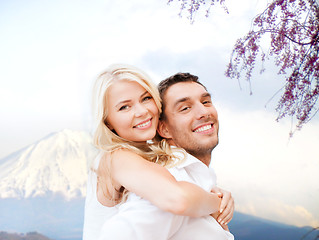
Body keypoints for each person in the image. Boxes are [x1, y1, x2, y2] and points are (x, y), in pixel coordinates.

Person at [83, 64, 234, 240]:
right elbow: (178, 198)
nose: (142, 111)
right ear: (107, 121)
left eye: (146, 98)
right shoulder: (116, 157)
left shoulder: (150, 160)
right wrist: (218, 202)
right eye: (124, 107)